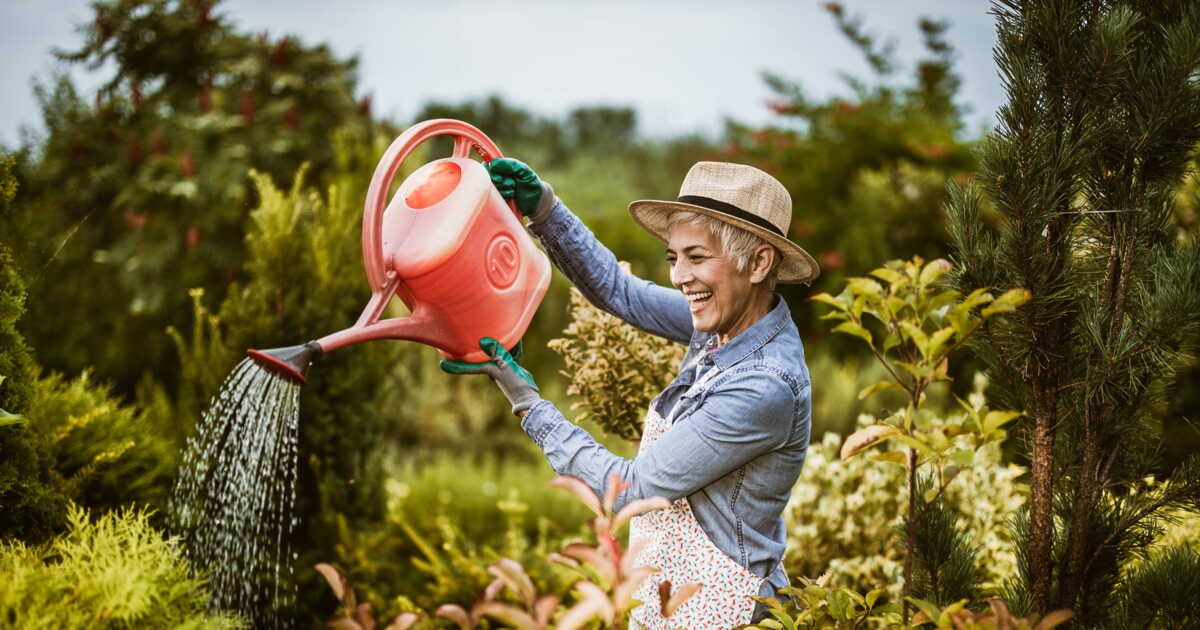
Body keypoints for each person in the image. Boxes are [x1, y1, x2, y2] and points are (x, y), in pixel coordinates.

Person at [442, 158, 818, 628]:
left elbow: (632, 489)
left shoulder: (764, 384)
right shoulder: (724, 323)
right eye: (674, 258)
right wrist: (546, 211)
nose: (680, 276)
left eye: (697, 257)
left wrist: (528, 404)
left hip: (725, 609)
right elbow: (622, 292)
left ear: (758, 262)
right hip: (672, 594)